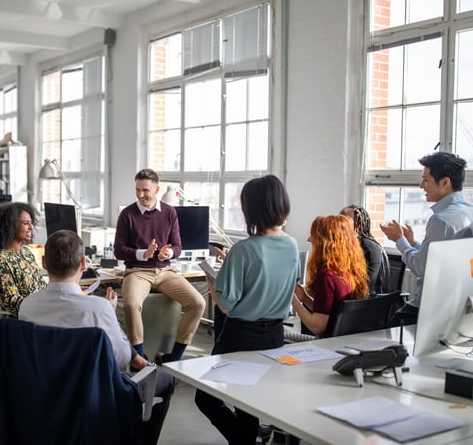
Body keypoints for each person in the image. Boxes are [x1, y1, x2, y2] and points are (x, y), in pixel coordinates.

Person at [19, 230, 175, 445]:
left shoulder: (27, 306)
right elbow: (120, 359)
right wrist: (109, 313)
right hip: (93, 394)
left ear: (44, 263)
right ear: (84, 264)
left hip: (44, 392)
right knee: (167, 380)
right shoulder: (97, 308)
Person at [194, 175, 299, 445]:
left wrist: (212, 279)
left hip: (240, 337)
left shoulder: (244, 250)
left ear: (251, 209)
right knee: (249, 403)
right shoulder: (292, 245)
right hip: (274, 337)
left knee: (206, 398)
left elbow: (226, 305)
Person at [379, 152, 473, 324]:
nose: (422, 185)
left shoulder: (442, 220)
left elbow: (423, 269)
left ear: (445, 182)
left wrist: (400, 241)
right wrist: (413, 243)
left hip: (431, 310)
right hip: (463, 308)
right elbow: (443, 256)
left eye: (426, 180)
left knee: (387, 327)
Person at [114, 168, 206, 363]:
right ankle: (139, 356)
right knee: (131, 305)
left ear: (157, 189)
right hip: (138, 272)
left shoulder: (169, 212)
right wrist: (143, 253)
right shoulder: (127, 214)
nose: (141, 195)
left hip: (165, 271)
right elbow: (119, 250)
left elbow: (178, 247)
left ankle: (174, 357)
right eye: (137, 190)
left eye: (145, 190)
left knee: (198, 303)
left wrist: (169, 252)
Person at [292, 215, 369, 336]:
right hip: (347, 340)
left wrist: (292, 299)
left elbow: (317, 327)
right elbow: (332, 313)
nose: (309, 240)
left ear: (325, 242)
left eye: (314, 236)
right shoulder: (349, 271)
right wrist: (305, 299)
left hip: (329, 345)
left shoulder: (327, 276)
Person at [0, 202, 45, 316]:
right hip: (26, 319)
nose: (31, 228)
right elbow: (10, 302)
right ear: (10, 227)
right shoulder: (1, 261)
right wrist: (44, 306)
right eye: (25, 223)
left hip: (42, 311)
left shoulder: (26, 252)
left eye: (31, 223)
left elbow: (40, 286)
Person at [340, 204, 390, 295]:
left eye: (344, 219)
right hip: (344, 295)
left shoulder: (370, 248)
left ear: (358, 223)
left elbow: (366, 284)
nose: (339, 222)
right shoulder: (340, 245)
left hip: (363, 300)